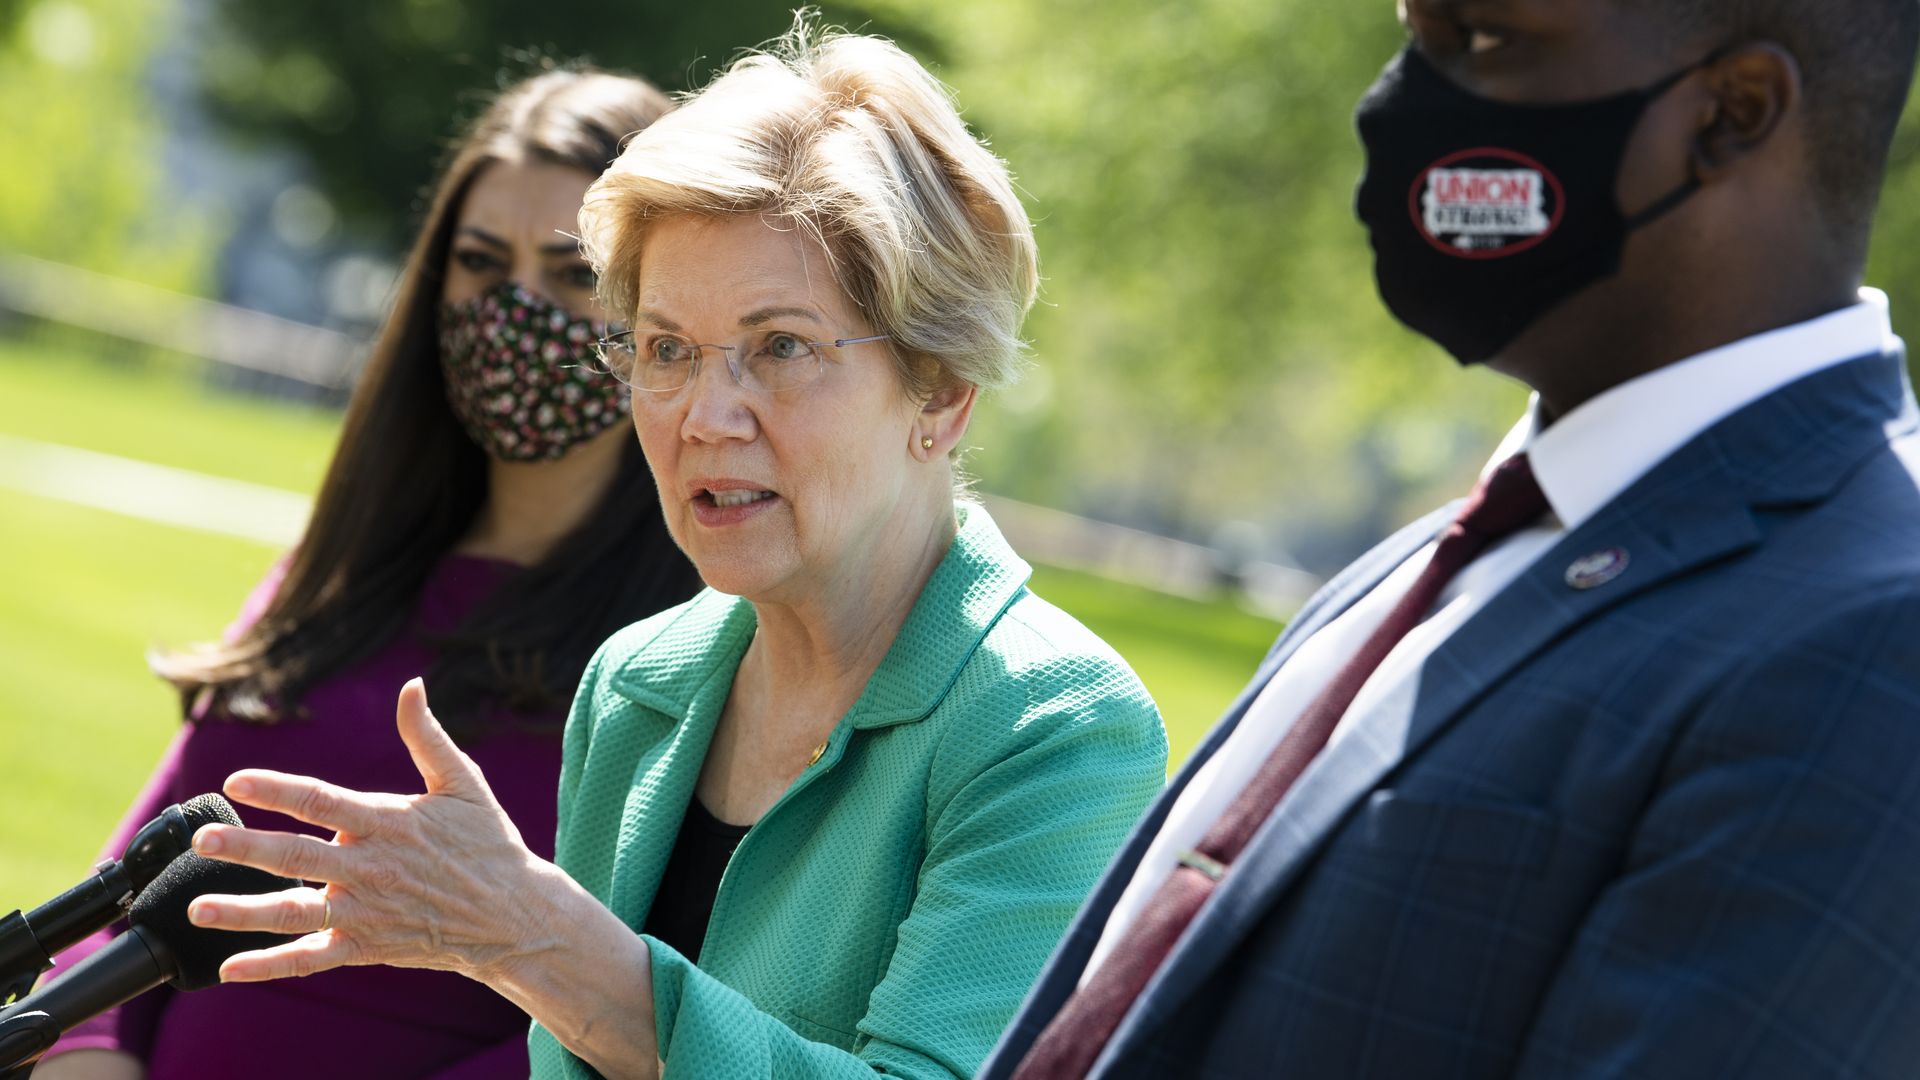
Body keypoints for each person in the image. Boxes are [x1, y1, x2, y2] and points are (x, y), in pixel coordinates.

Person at [180, 23, 1170, 1080]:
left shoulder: (1056, 729)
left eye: (781, 347)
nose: (706, 415)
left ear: (942, 392)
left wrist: (538, 941)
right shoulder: (637, 684)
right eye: (665, 349)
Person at [982, 0, 1920, 1077]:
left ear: (1730, 112)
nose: (1397, 106)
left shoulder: (1874, 640)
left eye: (1482, 42)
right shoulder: (1456, 545)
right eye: (1414, 39)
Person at [33, 68, 702, 1080]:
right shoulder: (341, 572)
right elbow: (129, 890)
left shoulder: (693, 654)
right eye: (480, 264)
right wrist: (89, 1056)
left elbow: (612, 1032)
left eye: (572, 275)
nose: (513, 309)